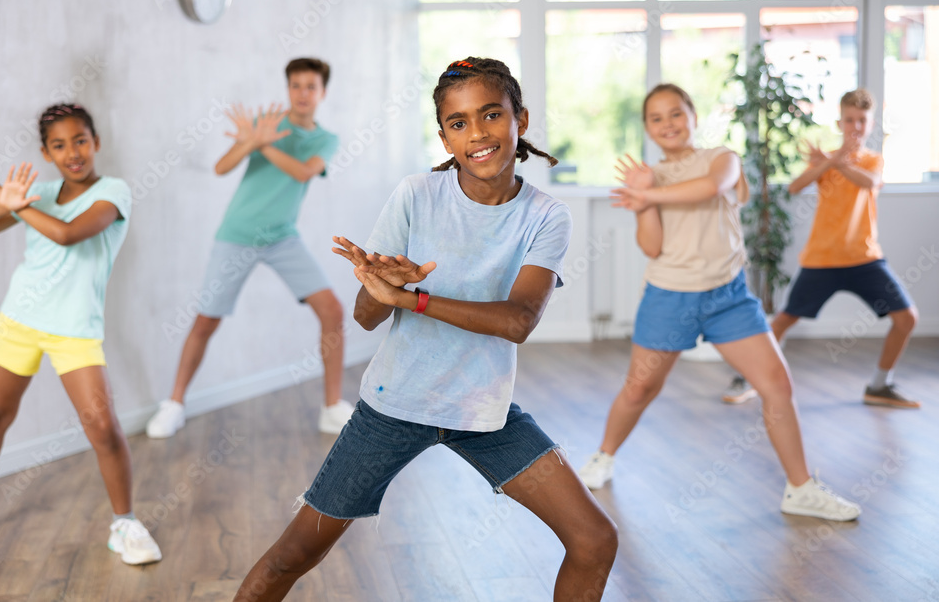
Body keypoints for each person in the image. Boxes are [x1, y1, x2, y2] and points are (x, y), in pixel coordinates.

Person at [232, 58, 617, 602]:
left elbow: (518, 321)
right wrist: (383, 286)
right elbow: (366, 315)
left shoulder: (546, 215)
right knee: (292, 556)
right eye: (459, 123)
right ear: (444, 138)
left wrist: (414, 299)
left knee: (595, 540)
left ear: (521, 120)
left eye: (491, 115)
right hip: (393, 407)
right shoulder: (416, 194)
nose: (477, 133)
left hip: (483, 412)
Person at [578, 84, 861, 521]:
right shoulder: (649, 178)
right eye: (656, 118)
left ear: (693, 116)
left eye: (676, 113)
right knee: (639, 389)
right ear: (648, 128)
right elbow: (652, 247)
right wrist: (644, 201)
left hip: (728, 296)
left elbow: (711, 188)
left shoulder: (721, 158)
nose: (668, 124)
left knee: (777, 384)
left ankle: (801, 488)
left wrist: (648, 195)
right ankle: (604, 456)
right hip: (669, 295)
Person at [0, 104, 162, 564]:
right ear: (46, 153)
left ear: (96, 142)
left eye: (80, 140)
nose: (72, 152)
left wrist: (20, 207)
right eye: (59, 145)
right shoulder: (36, 193)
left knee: (103, 427)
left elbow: (69, 234)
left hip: (74, 332)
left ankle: (125, 523)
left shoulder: (114, 192)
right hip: (18, 322)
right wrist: (1, 206)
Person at [146, 57, 350, 438]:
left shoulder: (325, 140)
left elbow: (304, 172)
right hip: (238, 234)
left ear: (323, 92)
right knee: (206, 320)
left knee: (333, 310)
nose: (302, 93)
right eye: (296, 85)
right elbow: (221, 167)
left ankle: (332, 407)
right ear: (287, 88)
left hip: (283, 237)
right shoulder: (265, 123)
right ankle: (174, 405)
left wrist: (263, 145)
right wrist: (252, 141)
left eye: (310, 86)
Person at [722, 88, 919, 409]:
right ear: (840, 123)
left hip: (864, 259)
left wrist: (833, 162)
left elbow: (869, 182)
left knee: (907, 318)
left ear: (871, 125)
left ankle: (879, 386)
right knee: (783, 320)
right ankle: (746, 377)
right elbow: (795, 186)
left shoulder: (872, 160)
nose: (855, 126)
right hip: (822, 260)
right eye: (849, 120)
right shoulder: (825, 161)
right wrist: (826, 164)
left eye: (862, 120)